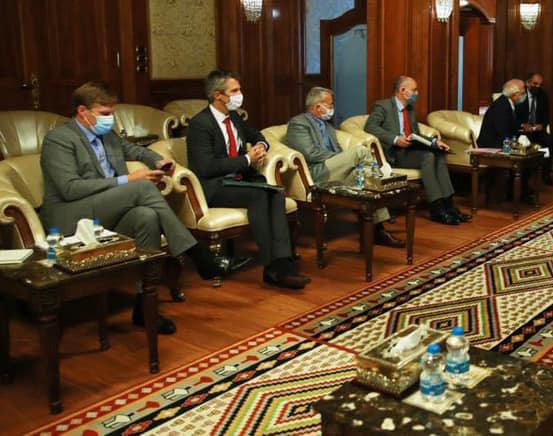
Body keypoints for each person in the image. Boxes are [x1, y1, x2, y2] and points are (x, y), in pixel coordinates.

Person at [41, 82, 230, 335]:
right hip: (70, 215)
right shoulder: (59, 140)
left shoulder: (107, 135)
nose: (110, 118)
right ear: (82, 111)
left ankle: (144, 306)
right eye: (104, 113)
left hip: (106, 210)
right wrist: (127, 180)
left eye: (112, 112)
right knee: (140, 187)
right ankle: (197, 253)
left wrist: (158, 161)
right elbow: (69, 189)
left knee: (146, 216)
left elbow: (135, 150)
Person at [187, 70, 310, 289]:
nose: (240, 95)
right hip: (215, 186)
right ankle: (271, 267)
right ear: (218, 95)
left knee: (276, 192)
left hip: (239, 180)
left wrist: (261, 146)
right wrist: (246, 159)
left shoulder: (233, 117)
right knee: (259, 195)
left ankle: (283, 262)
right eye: (234, 91)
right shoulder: (200, 124)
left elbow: (257, 135)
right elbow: (206, 167)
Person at [285, 87, 404, 248]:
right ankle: (383, 178)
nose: (332, 108)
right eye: (330, 104)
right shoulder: (298, 123)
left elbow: (339, 151)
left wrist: (344, 160)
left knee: (365, 178)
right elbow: (311, 154)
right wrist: (342, 158)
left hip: (335, 170)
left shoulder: (327, 126)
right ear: (318, 107)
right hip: (316, 173)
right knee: (360, 151)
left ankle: (377, 230)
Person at [364, 76, 469, 226]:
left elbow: (415, 134)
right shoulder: (383, 106)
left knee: (438, 154)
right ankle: (436, 208)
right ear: (403, 90)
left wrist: (434, 142)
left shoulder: (410, 110)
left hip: (411, 150)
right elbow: (370, 127)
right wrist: (395, 139)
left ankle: (448, 205)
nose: (417, 93)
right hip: (394, 153)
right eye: (414, 90)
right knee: (428, 156)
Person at [515, 72, 553, 185]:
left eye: (540, 85)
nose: (538, 87)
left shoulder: (543, 95)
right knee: (525, 142)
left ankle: (545, 174)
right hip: (522, 131)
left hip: (537, 130)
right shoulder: (520, 95)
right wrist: (522, 125)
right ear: (527, 83)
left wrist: (542, 125)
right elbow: (512, 117)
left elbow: (546, 116)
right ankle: (525, 175)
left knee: (548, 142)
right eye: (535, 84)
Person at [476, 79, 525, 149]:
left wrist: (521, 126)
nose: (524, 96)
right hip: (491, 147)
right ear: (514, 95)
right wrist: (516, 146)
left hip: (499, 144)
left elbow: (510, 123)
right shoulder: (502, 106)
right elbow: (502, 132)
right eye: (522, 94)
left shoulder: (507, 102)